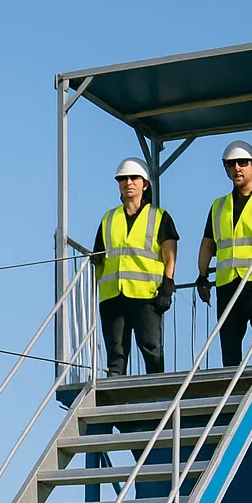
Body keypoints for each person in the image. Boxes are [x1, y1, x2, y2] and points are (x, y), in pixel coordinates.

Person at [195, 140, 252, 367]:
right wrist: (202, 276)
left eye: (242, 163)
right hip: (228, 282)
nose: (237, 168)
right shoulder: (218, 206)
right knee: (228, 339)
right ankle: (232, 384)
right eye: (231, 164)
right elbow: (208, 244)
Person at [92, 157, 178, 376]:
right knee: (116, 353)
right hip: (113, 296)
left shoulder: (159, 217)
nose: (128, 182)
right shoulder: (109, 218)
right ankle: (113, 398)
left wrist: (168, 283)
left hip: (146, 295)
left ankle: (158, 392)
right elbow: (98, 258)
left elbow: (169, 253)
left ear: (144, 184)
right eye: (123, 179)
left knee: (151, 348)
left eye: (133, 178)